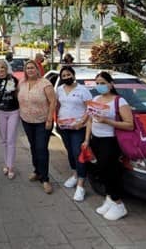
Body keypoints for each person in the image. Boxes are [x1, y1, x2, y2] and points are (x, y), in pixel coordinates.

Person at [84, 71, 134, 221]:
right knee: (100, 170)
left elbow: (129, 125)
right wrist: (87, 140)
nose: (100, 86)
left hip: (110, 141)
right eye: (97, 83)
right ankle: (109, 199)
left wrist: (108, 121)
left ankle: (119, 204)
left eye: (103, 83)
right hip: (96, 140)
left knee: (110, 171)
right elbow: (90, 120)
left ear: (111, 84)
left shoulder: (120, 101)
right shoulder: (96, 99)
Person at [18, 60, 56, 194]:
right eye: (27, 68)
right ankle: (37, 171)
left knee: (41, 149)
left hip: (42, 122)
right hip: (27, 121)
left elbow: (53, 102)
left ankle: (45, 179)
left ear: (37, 69)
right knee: (33, 147)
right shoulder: (21, 83)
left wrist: (50, 119)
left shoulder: (45, 83)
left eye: (32, 68)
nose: (30, 70)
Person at [55, 66, 92, 201]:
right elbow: (58, 105)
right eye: (63, 76)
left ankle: (81, 185)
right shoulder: (59, 89)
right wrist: (57, 119)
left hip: (78, 128)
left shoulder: (83, 90)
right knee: (70, 151)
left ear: (73, 75)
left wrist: (82, 122)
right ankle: (75, 175)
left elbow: (90, 109)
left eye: (68, 75)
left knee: (78, 153)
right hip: (64, 127)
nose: (66, 77)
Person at [0, 58, 19, 180]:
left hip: (13, 112)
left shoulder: (13, 79)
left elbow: (17, 95)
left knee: (11, 140)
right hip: (0, 112)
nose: (0, 69)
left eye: (3, 67)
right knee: (4, 140)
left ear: (6, 68)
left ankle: (11, 166)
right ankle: (6, 163)